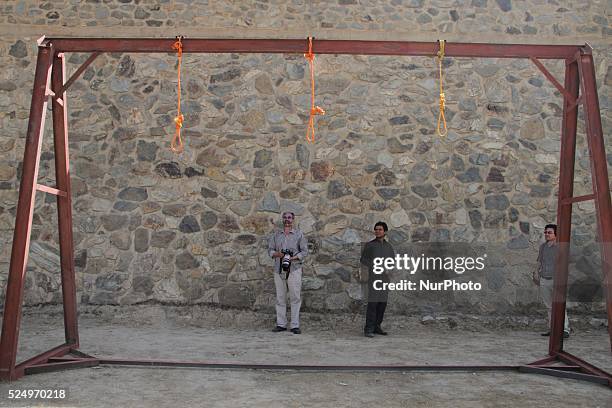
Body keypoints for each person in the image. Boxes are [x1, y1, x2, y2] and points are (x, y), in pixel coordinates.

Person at [267, 212, 308, 334]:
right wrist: (277, 254)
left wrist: (293, 258)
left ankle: (295, 325)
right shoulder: (276, 235)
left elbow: (305, 251)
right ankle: (281, 324)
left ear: (293, 219)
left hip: (294, 269)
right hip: (278, 269)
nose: (287, 220)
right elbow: (270, 250)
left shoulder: (299, 234)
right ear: (282, 220)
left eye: (289, 217)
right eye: (285, 218)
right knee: (280, 297)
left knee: (295, 297)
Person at [532, 223, 570, 338]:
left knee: (560, 304)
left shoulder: (561, 247)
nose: (547, 234)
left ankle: (565, 329)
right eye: (545, 232)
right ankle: (552, 328)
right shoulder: (543, 247)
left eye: (549, 232)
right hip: (544, 279)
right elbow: (539, 261)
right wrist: (535, 272)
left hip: (557, 279)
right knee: (549, 306)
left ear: (555, 234)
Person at [360, 221, 395, 338]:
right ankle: (368, 329)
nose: (377, 231)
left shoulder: (388, 247)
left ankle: (377, 326)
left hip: (385, 279)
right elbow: (363, 260)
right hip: (374, 278)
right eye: (376, 229)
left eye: (380, 229)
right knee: (373, 304)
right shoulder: (370, 245)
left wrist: (389, 269)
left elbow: (392, 261)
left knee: (382, 304)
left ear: (385, 231)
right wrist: (376, 265)